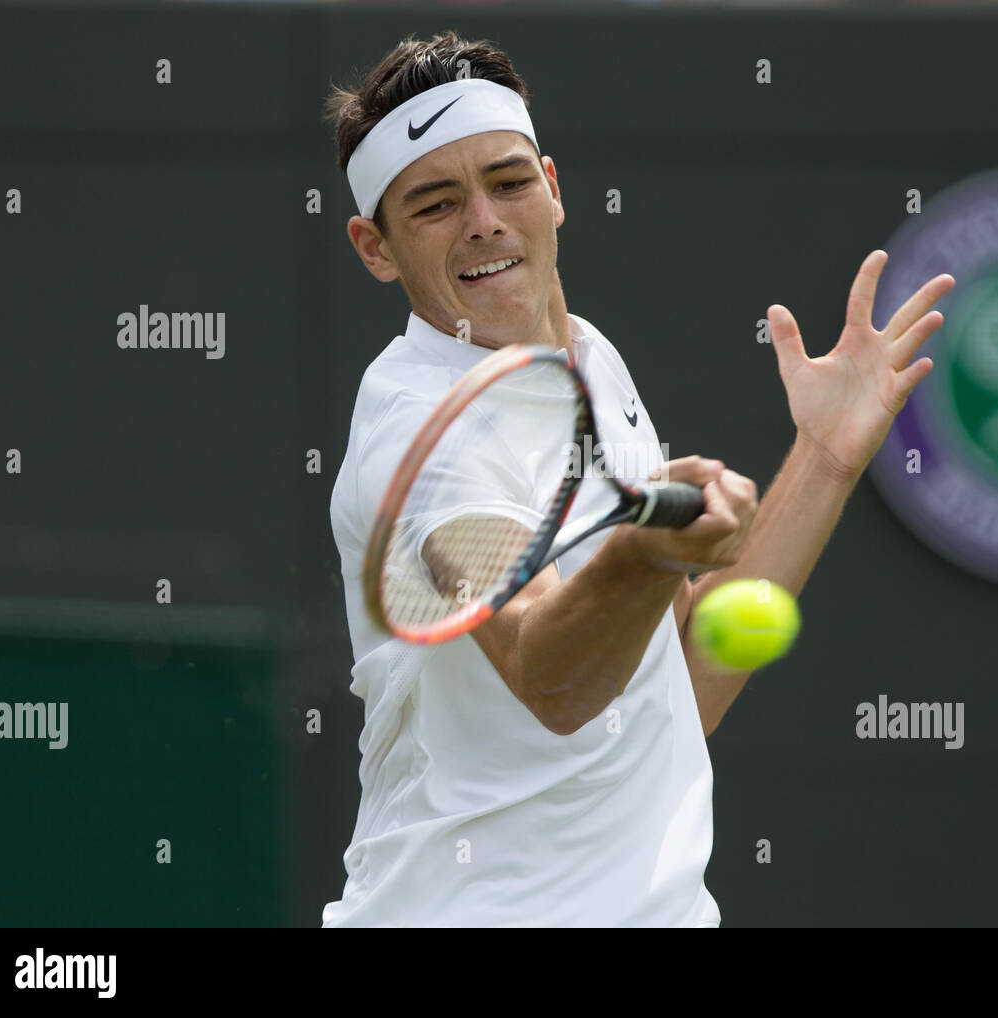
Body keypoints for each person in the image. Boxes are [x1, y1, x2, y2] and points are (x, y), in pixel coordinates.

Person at [320, 31, 952, 927]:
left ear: (554, 188)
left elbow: (674, 691)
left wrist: (824, 457)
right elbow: (553, 682)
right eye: (434, 203)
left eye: (508, 182)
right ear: (374, 248)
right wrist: (644, 554)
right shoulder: (421, 433)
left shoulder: (592, 361)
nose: (484, 221)